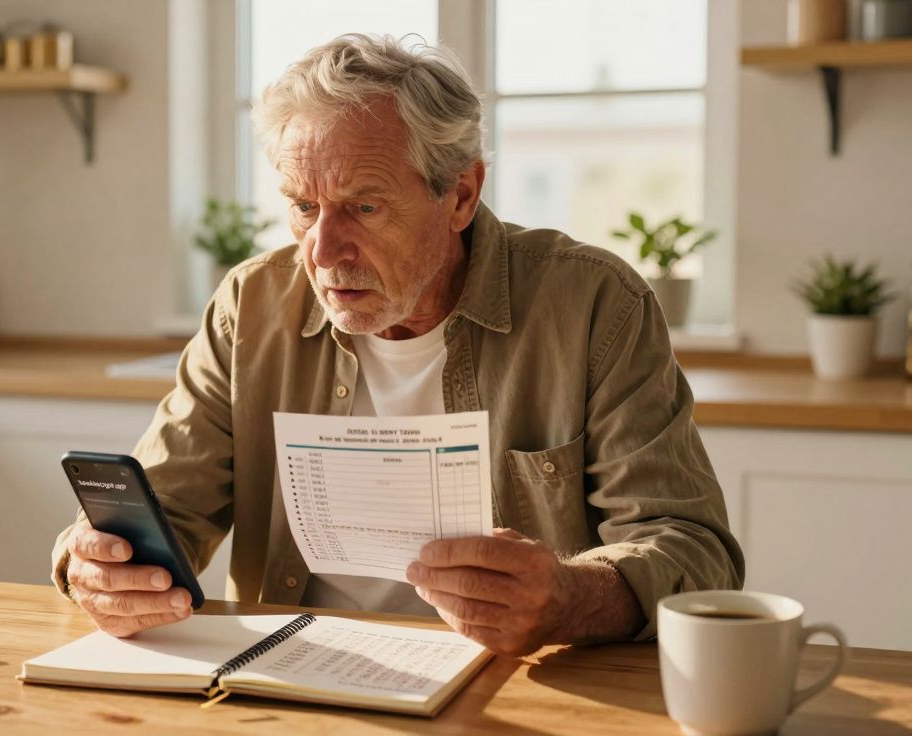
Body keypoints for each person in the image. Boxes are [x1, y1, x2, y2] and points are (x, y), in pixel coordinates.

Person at [52, 34, 744, 656]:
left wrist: (567, 597)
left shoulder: (594, 306)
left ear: (462, 195)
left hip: (514, 686)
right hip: (291, 676)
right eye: (302, 206)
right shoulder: (249, 307)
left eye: (364, 206)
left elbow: (695, 551)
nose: (322, 250)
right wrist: (99, 563)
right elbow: (162, 510)